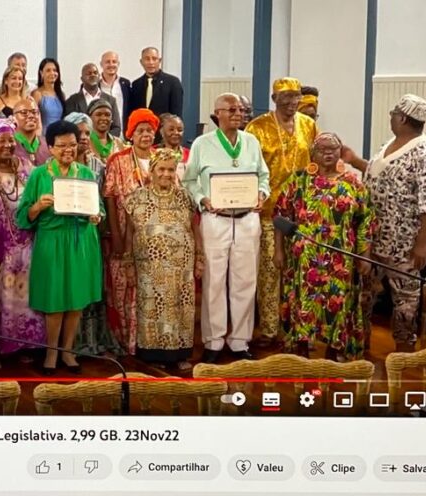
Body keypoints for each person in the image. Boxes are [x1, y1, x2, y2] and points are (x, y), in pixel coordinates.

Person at [183, 93, 270, 362]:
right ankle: (213, 341)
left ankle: (240, 341)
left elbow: (264, 176)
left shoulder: (251, 141)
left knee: (245, 281)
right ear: (217, 112)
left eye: (242, 110)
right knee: (214, 282)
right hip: (215, 219)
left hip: (247, 219)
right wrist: (203, 199)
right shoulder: (202, 143)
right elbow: (189, 180)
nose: (238, 114)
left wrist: (261, 194)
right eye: (232, 109)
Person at [274, 133, 374, 360]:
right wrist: (278, 250)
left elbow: (366, 220)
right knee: (303, 301)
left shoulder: (353, 183)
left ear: (341, 151)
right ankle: (300, 347)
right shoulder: (298, 180)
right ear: (312, 154)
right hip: (305, 255)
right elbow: (280, 215)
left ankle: (335, 348)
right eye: (322, 150)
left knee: (338, 301)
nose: (328, 153)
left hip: (341, 256)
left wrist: (365, 254)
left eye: (333, 149)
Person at [355, 94, 426, 347]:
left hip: (405, 245)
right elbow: (379, 172)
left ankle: (403, 354)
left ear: (402, 118)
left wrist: (421, 245)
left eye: (393, 112)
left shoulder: (425, 154)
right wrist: (353, 160)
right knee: (365, 296)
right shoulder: (391, 143)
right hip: (377, 239)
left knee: (405, 303)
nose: (390, 116)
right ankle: (361, 346)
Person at [16, 120, 104, 374]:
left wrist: (97, 216)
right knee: (54, 300)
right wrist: (38, 206)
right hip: (51, 242)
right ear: (51, 148)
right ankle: (51, 353)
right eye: (62, 145)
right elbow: (23, 216)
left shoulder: (86, 174)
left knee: (76, 300)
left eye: (73, 145)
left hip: (81, 241)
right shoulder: (39, 175)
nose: (68, 150)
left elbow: (99, 209)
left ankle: (68, 352)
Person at [246, 78, 318, 346]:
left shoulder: (308, 125)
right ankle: (268, 328)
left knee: (302, 272)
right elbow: (249, 167)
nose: (291, 102)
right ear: (274, 98)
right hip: (268, 210)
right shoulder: (257, 127)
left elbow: (315, 163)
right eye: (285, 96)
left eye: (296, 96)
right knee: (270, 272)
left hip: (301, 211)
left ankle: (300, 327)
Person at [0, 119, 45, 360]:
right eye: (1, 140)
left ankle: (26, 345)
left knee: (25, 297)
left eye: (11, 140)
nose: (7, 145)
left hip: (26, 245)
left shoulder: (27, 167)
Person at [124, 148, 201, 369]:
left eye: (171, 169)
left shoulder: (185, 197)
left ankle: (180, 355)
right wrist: (128, 264)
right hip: (149, 267)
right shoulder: (137, 198)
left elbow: (195, 229)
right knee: (152, 307)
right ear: (152, 170)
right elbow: (129, 233)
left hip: (181, 267)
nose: (166, 174)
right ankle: (153, 355)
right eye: (162, 169)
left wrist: (200, 259)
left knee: (181, 307)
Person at [103, 108, 160, 355]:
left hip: (155, 238)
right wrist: (115, 235)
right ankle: (124, 341)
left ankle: (147, 340)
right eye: (140, 130)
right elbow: (110, 198)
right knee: (122, 287)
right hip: (124, 234)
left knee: (148, 287)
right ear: (131, 133)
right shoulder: (118, 160)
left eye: (149, 130)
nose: (145, 135)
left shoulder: (162, 159)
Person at [64, 112, 114, 356]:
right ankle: (69, 346)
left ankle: (91, 343)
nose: (83, 137)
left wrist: (100, 219)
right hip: (64, 237)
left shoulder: (97, 165)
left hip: (90, 235)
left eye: (87, 133)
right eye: (78, 133)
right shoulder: (57, 165)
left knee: (92, 289)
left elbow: (103, 201)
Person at [64, 63, 121, 137]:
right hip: (82, 144)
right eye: (89, 73)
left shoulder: (110, 100)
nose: (92, 75)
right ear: (82, 78)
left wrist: (103, 141)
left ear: (99, 76)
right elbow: (69, 126)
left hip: (105, 146)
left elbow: (116, 128)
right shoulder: (72, 100)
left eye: (95, 73)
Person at [130, 47, 183, 118]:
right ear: (141, 62)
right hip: (143, 128)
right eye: (147, 59)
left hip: (163, 127)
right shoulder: (136, 84)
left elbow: (176, 114)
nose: (151, 62)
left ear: (159, 60)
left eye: (154, 59)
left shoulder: (172, 82)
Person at [99, 51, 132, 133]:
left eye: (114, 62)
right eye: (107, 62)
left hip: (124, 136)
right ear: (101, 64)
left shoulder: (126, 84)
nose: (111, 65)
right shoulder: (95, 85)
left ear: (118, 64)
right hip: (101, 136)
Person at [87, 99, 127, 163]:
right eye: (98, 114)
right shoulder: (85, 143)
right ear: (90, 118)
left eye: (107, 115)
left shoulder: (118, 143)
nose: (103, 118)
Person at [13, 97, 51, 165]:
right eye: (24, 112)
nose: (31, 116)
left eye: (34, 112)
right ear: (14, 118)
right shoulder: (9, 145)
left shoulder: (47, 145)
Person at [32, 58, 66, 130]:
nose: (52, 73)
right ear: (41, 73)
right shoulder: (37, 94)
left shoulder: (61, 95)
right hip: (43, 135)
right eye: (48, 70)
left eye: (55, 70)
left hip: (58, 135)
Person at [155, 113, 189, 180]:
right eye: (171, 129)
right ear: (162, 132)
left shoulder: (190, 155)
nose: (176, 133)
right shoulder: (153, 153)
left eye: (180, 130)